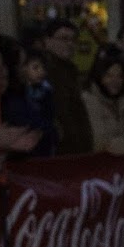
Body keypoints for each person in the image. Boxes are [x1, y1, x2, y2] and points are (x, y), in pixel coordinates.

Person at [41, 18, 94, 156]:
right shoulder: (42, 71)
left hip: (76, 145)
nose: (70, 44)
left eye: (73, 39)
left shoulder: (71, 71)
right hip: (60, 148)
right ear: (47, 41)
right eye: (63, 39)